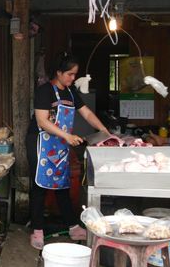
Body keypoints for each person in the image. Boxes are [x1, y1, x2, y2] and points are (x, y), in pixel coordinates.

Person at [26, 52, 109, 250]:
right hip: (41, 143)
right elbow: (42, 121)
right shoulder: (45, 91)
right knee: (40, 186)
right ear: (59, 72)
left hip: (59, 145)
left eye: (75, 74)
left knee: (62, 185)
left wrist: (104, 131)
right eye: (70, 74)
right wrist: (67, 136)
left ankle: (72, 226)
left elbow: (87, 113)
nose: (73, 78)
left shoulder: (71, 93)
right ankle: (37, 230)